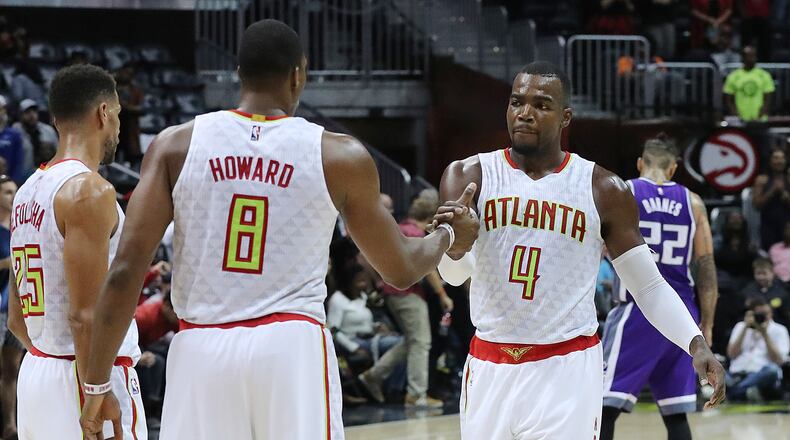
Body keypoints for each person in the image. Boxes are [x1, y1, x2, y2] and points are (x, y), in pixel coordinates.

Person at [79, 20, 478, 440]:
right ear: (298, 75)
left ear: (239, 73)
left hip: (202, 349)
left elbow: (124, 272)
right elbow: (399, 268)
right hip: (290, 347)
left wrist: (96, 383)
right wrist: (448, 236)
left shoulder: (174, 146)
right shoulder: (339, 154)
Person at [434, 61, 725, 440]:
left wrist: (695, 343)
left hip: (567, 367)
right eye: (516, 101)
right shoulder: (467, 175)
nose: (525, 112)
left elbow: (648, 288)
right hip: (489, 363)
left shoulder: (604, 188)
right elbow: (453, 275)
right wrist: (456, 247)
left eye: (541, 105)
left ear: (565, 116)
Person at [5, 64, 146, 439]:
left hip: (37, 372)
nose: (117, 128)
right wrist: (97, 390)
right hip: (87, 379)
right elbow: (85, 316)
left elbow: (16, 321)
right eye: (117, 115)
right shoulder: (89, 190)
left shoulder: (26, 191)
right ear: (104, 113)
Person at [599, 135, 719, 440]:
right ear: (674, 168)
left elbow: (596, 250)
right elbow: (705, 267)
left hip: (637, 310)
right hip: (683, 314)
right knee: (676, 415)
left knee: (602, 408)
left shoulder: (622, 192)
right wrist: (705, 324)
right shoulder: (693, 202)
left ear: (641, 163)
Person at [358, 197, 455, 408]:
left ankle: (373, 376)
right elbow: (428, 268)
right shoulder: (417, 234)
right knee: (421, 342)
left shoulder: (397, 228)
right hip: (408, 293)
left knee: (412, 340)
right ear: (431, 216)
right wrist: (442, 295)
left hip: (391, 292)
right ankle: (416, 395)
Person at [726, 297, 790, 401]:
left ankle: (734, 392)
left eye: (765, 314)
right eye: (758, 314)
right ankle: (744, 390)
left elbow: (780, 360)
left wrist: (765, 334)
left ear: (771, 313)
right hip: (736, 374)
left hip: (762, 375)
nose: (762, 317)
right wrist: (745, 328)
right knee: (717, 370)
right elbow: (731, 354)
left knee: (772, 370)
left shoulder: (780, 330)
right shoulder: (740, 326)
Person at [0, 176, 21, 440]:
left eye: (14, 192)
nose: (11, 196)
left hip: (15, 306)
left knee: (12, 369)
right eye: (6, 192)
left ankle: (10, 424)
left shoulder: (19, 226)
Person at [724, 46, 775, 122]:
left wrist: (763, 112)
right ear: (743, 58)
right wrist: (735, 114)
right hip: (740, 119)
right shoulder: (733, 76)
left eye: (754, 56)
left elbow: (768, 98)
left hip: (759, 119)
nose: (753, 59)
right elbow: (728, 99)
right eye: (750, 56)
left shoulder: (764, 75)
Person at [752, 148, 790, 250]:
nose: (779, 161)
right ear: (770, 161)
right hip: (768, 227)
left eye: (782, 158)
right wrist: (772, 191)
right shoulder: (761, 180)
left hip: (787, 227)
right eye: (776, 158)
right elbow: (756, 204)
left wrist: (785, 194)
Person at [12, 98, 58, 174]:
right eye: (27, 112)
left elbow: (58, 151)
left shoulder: (48, 130)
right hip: (24, 175)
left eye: (34, 111)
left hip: (45, 170)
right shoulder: (15, 132)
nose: (32, 115)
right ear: (20, 115)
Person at [742, 258, 790, 326]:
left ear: (772, 273)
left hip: (777, 326)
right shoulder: (748, 290)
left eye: (764, 273)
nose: (761, 277)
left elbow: (786, 314)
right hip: (754, 325)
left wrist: (770, 307)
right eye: (758, 273)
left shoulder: (782, 290)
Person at [115, 63, 144, 165]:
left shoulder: (135, 91)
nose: (126, 75)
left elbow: (142, 108)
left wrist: (125, 106)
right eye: (124, 72)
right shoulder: (110, 87)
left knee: (131, 157)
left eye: (129, 73)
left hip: (129, 127)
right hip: (112, 126)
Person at [0, 95, 25, 184]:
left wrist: (13, 182)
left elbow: (18, 161)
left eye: (0, 109)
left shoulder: (14, 134)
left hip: (9, 180)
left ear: (4, 110)